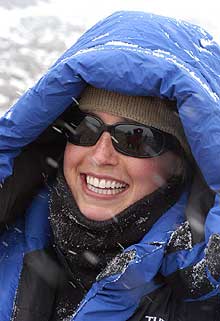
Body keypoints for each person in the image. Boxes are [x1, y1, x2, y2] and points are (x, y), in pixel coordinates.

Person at [0, 10, 219, 321]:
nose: (100, 155)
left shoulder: (202, 293)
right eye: (84, 129)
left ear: (181, 163)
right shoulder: (10, 221)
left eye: (134, 138)